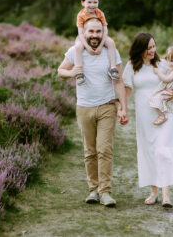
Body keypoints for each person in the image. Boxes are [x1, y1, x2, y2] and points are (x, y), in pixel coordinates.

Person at [58, 18, 128, 208]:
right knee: (90, 152)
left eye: (98, 32)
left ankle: (105, 192)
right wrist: (72, 72)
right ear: (84, 32)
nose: (95, 36)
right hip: (84, 108)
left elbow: (119, 81)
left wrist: (123, 107)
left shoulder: (111, 52)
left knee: (104, 150)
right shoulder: (76, 51)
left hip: (107, 107)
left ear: (103, 32)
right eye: (91, 32)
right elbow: (61, 70)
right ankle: (93, 190)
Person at [122, 32, 173, 208]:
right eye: (148, 48)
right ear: (140, 49)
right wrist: (123, 108)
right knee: (148, 150)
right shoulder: (132, 66)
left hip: (164, 114)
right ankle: (154, 191)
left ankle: (166, 195)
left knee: (163, 150)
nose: (152, 51)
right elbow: (127, 88)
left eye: (154, 47)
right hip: (144, 115)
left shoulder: (162, 64)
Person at [74, 0, 119, 85]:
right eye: (89, 2)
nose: (92, 5)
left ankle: (113, 68)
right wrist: (87, 47)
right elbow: (80, 33)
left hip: (100, 36)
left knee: (111, 42)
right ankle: (79, 73)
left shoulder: (100, 13)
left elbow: (105, 30)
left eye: (95, 2)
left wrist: (100, 46)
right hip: (84, 37)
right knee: (78, 47)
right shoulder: (81, 15)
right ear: (83, 2)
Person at [149, 46, 173, 125]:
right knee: (157, 98)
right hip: (171, 91)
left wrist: (158, 72)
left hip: (172, 92)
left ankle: (162, 116)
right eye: (171, 60)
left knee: (156, 98)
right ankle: (163, 111)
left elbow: (166, 79)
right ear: (167, 61)